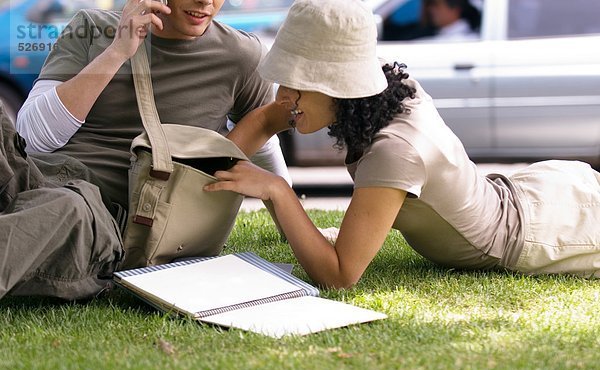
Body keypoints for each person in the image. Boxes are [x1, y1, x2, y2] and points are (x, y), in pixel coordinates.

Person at [205, 0, 600, 289]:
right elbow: (264, 118)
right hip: (530, 191)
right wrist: (197, 188)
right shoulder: (375, 94)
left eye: (295, 82)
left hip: (547, 231)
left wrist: (275, 189)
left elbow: (340, 275)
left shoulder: (396, 150)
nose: (283, 94)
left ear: (337, 86)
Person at [0, 0, 289, 300]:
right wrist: (117, 52)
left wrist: (290, 223)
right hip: (36, 176)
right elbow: (31, 137)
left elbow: (263, 138)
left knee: (63, 209)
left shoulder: (241, 56)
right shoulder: (90, 28)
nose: (206, 1)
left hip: (100, 213)